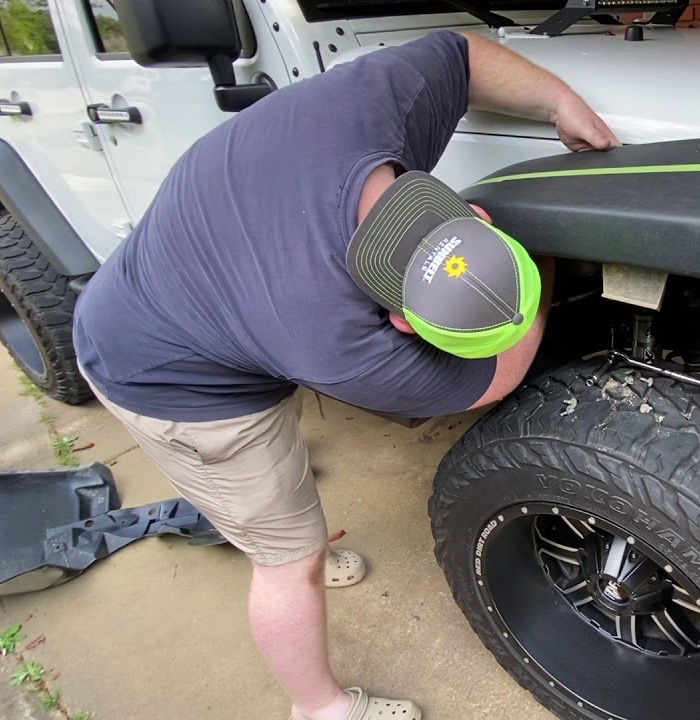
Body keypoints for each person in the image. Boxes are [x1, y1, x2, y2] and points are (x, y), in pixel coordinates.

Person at [72, 30, 618, 720]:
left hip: (184, 286)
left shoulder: (370, 107)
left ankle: (257, 527)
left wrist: (558, 100)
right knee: (287, 561)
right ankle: (321, 706)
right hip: (161, 376)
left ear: (461, 212)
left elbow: (463, 50)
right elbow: (499, 379)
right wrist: (536, 275)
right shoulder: (330, 339)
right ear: (399, 324)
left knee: (275, 473)